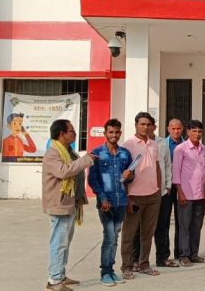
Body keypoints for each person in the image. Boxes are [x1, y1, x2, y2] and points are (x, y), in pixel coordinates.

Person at [42, 119, 96, 291]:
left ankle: (60, 274)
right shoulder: (53, 153)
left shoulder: (68, 151)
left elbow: (74, 168)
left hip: (70, 203)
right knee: (59, 242)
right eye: (71, 130)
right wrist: (86, 160)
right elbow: (64, 171)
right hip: (59, 204)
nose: (74, 133)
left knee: (65, 241)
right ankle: (54, 280)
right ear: (61, 134)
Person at [87, 119, 134, 287]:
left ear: (120, 133)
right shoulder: (97, 153)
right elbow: (93, 180)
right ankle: (105, 273)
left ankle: (111, 270)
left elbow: (130, 178)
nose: (114, 135)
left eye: (116, 132)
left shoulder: (125, 154)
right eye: (111, 132)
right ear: (105, 133)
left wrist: (129, 176)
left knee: (115, 237)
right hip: (106, 203)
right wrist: (102, 198)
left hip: (121, 201)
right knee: (109, 237)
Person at [119, 112, 163, 279]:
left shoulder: (154, 144)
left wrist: (158, 189)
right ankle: (127, 267)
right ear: (136, 125)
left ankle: (144, 264)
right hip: (134, 196)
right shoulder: (128, 145)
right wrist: (127, 196)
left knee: (147, 233)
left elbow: (157, 167)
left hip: (153, 195)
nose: (145, 127)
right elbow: (123, 174)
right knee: (129, 234)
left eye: (148, 124)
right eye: (142, 124)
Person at [172, 119, 205, 267]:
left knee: (196, 226)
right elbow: (176, 172)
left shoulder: (203, 149)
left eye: (199, 131)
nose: (197, 134)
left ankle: (194, 254)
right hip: (186, 194)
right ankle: (184, 255)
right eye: (194, 131)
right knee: (184, 226)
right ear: (188, 132)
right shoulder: (180, 149)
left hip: (200, 194)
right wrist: (180, 192)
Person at [148, 118, 183, 269]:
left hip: (171, 188)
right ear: (168, 129)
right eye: (173, 128)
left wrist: (168, 185)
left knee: (173, 223)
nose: (176, 131)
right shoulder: (133, 144)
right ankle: (139, 260)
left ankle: (172, 255)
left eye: (178, 128)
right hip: (151, 191)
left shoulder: (162, 143)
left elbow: (168, 165)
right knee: (155, 225)